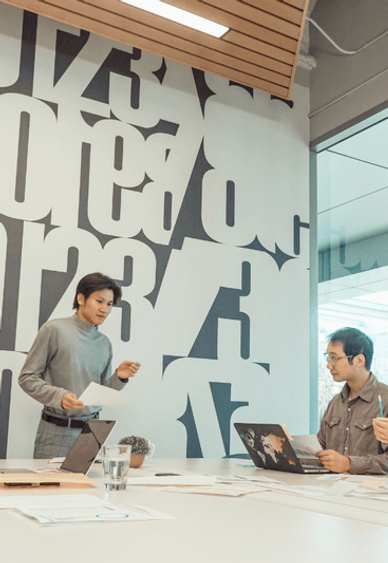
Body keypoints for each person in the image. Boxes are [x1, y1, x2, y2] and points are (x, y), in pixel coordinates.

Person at [19, 272, 140, 459]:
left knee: (89, 489)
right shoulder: (54, 330)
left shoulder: (104, 343)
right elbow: (27, 378)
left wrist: (120, 377)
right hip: (56, 432)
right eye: (99, 301)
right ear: (81, 298)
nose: (105, 309)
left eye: (109, 304)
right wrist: (59, 396)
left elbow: (99, 395)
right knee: (52, 488)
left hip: (93, 433)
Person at [316, 327, 388, 474]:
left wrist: (349, 464)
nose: (329, 365)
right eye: (328, 357)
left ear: (359, 360)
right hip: (332, 491)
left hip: (371, 494)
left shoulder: (385, 400)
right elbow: (320, 449)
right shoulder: (335, 403)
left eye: (334, 358)